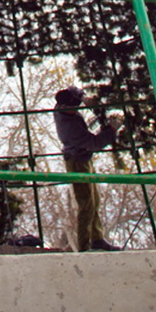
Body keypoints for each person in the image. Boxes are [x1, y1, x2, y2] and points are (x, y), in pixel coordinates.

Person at [53, 85, 122, 252]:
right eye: (74, 107)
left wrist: (84, 97)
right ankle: (84, 246)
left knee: (94, 200)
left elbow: (73, 89)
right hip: (77, 161)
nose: (77, 109)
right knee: (86, 204)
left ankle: (97, 238)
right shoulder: (69, 129)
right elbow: (94, 143)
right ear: (66, 108)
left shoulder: (60, 105)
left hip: (83, 158)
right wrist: (111, 130)